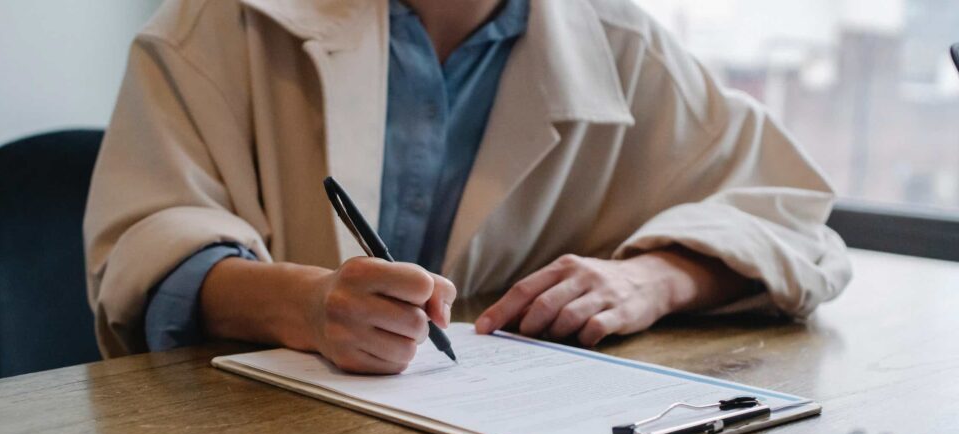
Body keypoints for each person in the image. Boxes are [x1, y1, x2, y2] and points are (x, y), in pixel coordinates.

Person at [84, 0, 851, 374]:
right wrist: (307, 306)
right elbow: (143, 251)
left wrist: (652, 278)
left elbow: (796, 222)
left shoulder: (621, 44)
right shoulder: (220, 21)